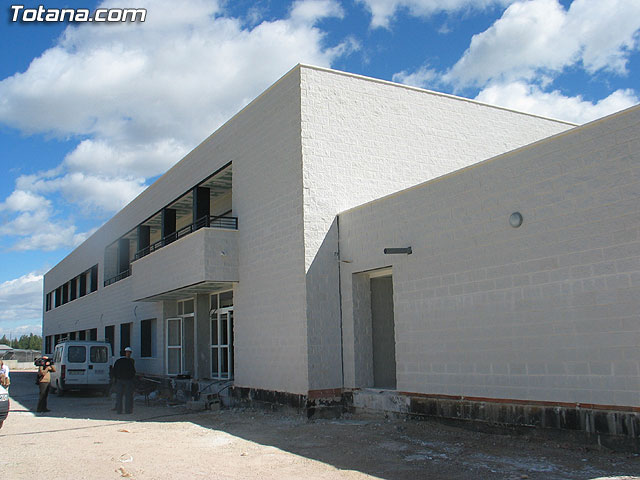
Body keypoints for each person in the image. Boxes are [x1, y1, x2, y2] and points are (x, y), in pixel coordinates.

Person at [112, 346, 136, 414]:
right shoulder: (130, 362)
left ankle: (119, 411)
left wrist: (116, 378)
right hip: (128, 381)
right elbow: (133, 371)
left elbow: (114, 371)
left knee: (119, 396)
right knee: (128, 396)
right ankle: (128, 410)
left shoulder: (117, 361)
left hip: (119, 380)